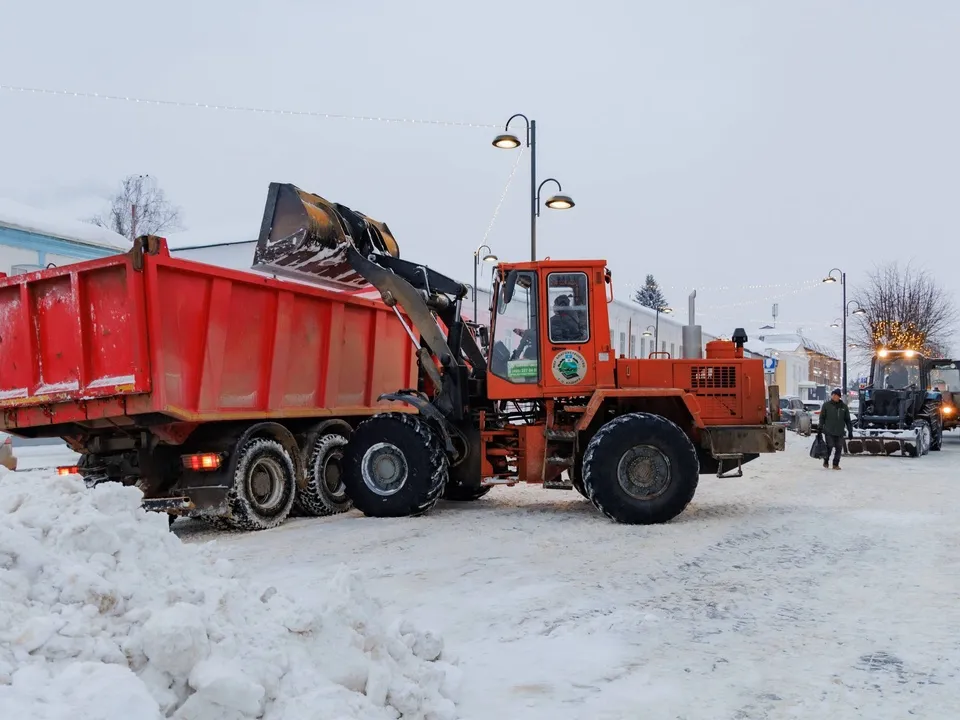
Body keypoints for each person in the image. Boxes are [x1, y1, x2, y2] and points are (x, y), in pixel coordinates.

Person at [819, 388, 854, 470]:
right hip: (829, 430)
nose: (834, 396)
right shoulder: (826, 405)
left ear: (839, 397)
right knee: (829, 446)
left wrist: (850, 431)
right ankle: (826, 460)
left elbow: (847, 420)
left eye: (836, 395)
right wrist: (820, 427)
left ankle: (835, 464)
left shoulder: (844, 407)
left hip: (840, 431)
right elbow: (822, 417)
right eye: (833, 395)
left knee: (839, 448)